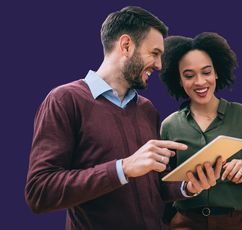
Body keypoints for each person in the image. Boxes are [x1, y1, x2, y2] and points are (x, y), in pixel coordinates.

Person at [25, 6, 223, 230]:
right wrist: (123, 168)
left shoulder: (147, 109)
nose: (159, 65)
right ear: (126, 45)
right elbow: (40, 191)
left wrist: (187, 186)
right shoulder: (64, 100)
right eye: (155, 53)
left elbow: (155, 186)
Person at [160, 32, 242, 230]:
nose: (200, 82)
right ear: (179, 80)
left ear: (217, 72)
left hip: (237, 222)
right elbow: (163, 187)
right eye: (189, 75)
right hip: (186, 223)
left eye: (206, 72)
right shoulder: (169, 125)